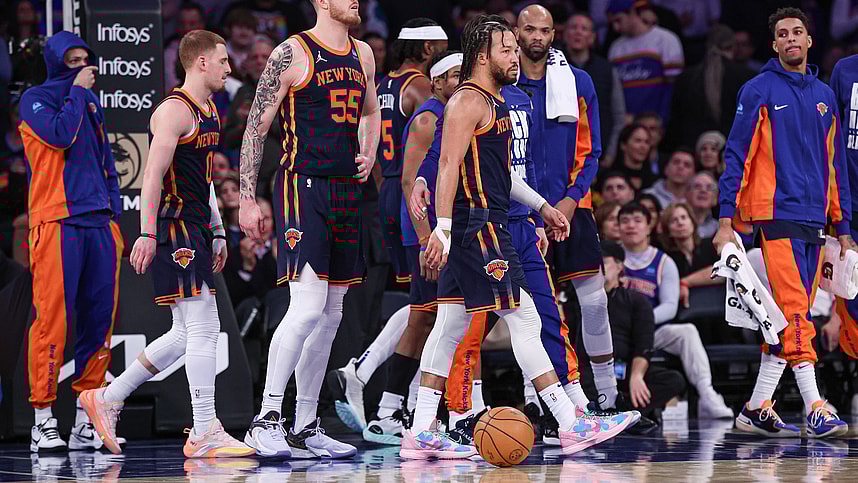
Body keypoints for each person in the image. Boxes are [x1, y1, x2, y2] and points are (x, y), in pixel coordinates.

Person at [401, 14, 635, 460]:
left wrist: (543, 206)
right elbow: (446, 166)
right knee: (525, 318)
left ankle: (420, 430)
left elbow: (501, 174)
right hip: (477, 226)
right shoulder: (467, 101)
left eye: (514, 48)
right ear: (482, 55)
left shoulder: (497, 102)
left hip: (488, 221)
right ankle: (569, 421)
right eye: (506, 49)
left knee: (449, 325)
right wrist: (442, 230)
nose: (515, 57)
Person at [80, 30, 254, 458]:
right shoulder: (174, 111)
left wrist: (217, 228)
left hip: (196, 226)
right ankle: (204, 428)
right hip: (173, 227)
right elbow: (152, 175)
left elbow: (204, 178)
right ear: (201, 63)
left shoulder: (209, 109)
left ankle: (107, 397)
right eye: (223, 60)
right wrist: (147, 233)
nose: (229, 67)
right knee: (204, 327)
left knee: (182, 333)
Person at [238, 0, 381, 458]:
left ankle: (304, 424)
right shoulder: (292, 52)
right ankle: (266, 418)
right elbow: (256, 129)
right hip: (303, 186)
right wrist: (246, 197)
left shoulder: (363, 53)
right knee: (306, 308)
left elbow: (371, 112)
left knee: (332, 312)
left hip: (346, 189)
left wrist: (369, 151)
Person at [715, 7, 852, 438]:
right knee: (796, 313)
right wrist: (725, 220)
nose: (791, 38)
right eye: (782, 33)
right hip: (774, 217)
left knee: (789, 316)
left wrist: (843, 227)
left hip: (816, 222)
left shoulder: (826, 95)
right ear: (774, 45)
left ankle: (756, 407)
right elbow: (736, 155)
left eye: (797, 31)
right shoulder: (758, 89)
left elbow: (836, 167)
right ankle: (815, 406)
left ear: (810, 40)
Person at [333, 51, 462, 445]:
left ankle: (386, 400)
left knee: (427, 314)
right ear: (436, 80)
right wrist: (426, 238)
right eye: (456, 75)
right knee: (431, 314)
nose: (463, 82)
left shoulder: (446, 110)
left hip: (416, 214)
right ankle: (405, 405)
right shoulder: (428, 115)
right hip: (420, 222)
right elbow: (411, 181)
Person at [514, 4, 624, 420]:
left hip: (572, 207)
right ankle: (535, 399)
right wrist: (535, 206)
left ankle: (609, 398)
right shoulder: (505, 84)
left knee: (594, 303)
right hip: (522, 211)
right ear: (516, 32)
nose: (537, 37)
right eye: (530, 29)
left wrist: (570, 199)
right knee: (532, 310)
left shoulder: (578, 81)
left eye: (544, 30)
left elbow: (591, 151)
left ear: (553, 34)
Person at [19, 31, 124, 453]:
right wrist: (78, 91)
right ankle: (42, 418)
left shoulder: (90, 102)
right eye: (73, 60)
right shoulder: (36, 99)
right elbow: (60, 135)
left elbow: (105, 158)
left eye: (85, 59)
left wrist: (114, 208)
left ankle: (85, 419)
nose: (82, 67)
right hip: (56, 220)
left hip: (98, 221)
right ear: (56, 62)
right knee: (52, 323)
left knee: (99, 323)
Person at [619, 202, 733, 419]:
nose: (631, 226)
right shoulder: (610, 259)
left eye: (637, 220)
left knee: (686, 331)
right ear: (618, 227)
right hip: (617, 334)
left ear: (649, 226)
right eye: (625, 221)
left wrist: (641, 322)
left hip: (651, 331)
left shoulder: (663, 261)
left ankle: (707, 395)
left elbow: (670, 307)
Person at [600, 240, 685, 430]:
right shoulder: (577, 301)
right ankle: (626, 415)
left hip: (624, 369)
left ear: (619, 266)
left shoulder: (637, 301)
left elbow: (644, 344)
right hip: (590, 373)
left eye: (603, 262)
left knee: (673, 380)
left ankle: (622, 413)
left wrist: (637, 376)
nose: (598, 268)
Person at [607, 0, 684, 123]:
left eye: (619, 20)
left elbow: (673, 87)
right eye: (613, 23)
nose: (616, 28)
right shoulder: (615, 48)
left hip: (657, 122)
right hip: (627, 124)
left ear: (632, 13)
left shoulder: (665, 40)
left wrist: (661, 120)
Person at [564, 13, 626, 166]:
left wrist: (610, 154)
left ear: (592, 37)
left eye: (584, 29)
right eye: (573, 27)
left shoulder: (606, 69)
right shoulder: (551, 67)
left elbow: (618, 116)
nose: (578, 32)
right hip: (562, 155)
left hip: (599, 156)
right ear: (564, 34)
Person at [611, 123, 656, 190]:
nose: (643, 146)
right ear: (623, 145)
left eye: (647, 142)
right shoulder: (608, 177)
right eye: (638, 141)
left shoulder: (655, 182)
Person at [686, 171, 719, 238]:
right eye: (697, 186)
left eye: (709, 188)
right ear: (687, 193)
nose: (703, 190)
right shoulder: (678, 224)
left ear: (715, 197)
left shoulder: (719, 229)